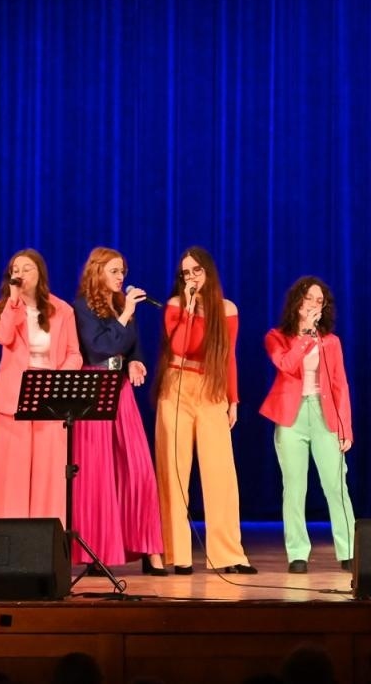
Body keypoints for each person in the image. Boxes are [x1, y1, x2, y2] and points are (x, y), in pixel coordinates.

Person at [154, 246, 254, 574]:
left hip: (211, 390)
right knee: (174, 471)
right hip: (177, 387)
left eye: (196, 270)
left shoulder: (227, 309)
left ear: (208, 271)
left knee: (221, 473)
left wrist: (233, 399)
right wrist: (189, 308)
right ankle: (179, 554)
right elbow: (183, 345)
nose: (192, 277)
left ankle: (228, 554)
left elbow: (228, 356)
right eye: (185, 273)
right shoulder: (174, 306)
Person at [71, 247, 165, 574]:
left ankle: (149, 549)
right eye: (114, 271)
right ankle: (98, 552)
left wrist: (137, 361)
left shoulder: (122, 305)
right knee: (99, 474)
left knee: (138, 469)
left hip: (121, 389)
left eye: (122, 271)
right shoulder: (81, 306)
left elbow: (131, 344)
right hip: (95, 389)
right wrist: (124, 315)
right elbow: (101, 346)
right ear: (97, 272)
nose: (120, 277)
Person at [260, 276, 356, 573]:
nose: (315, 304)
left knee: (336, 484)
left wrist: (345, 428)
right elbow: (286, 365)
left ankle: (349, 549)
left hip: (324, 413)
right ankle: (297, 553)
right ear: (297, 303)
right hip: (292, 416)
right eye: (310, 298)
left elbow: (340, 385)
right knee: (294, 486)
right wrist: (304, 336)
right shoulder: (276, 336)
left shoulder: (332, 342)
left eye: (320, 300)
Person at [0, 249, 83, 521]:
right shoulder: (2, 308)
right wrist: (13, 303)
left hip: (50, 396)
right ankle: (8, 539)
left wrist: (58, 381)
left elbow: (75, 354)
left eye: (27, 269)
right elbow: (2, 337)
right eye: (16, 269)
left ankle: (46, 538)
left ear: (39, 274)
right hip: (13, 399)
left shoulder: (62, 310)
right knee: (13, 472)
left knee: (48, 473)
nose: (21, 274)